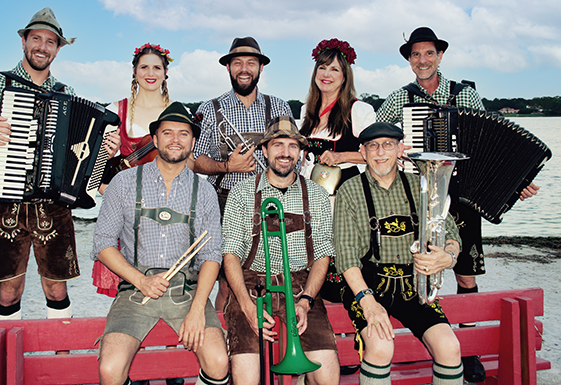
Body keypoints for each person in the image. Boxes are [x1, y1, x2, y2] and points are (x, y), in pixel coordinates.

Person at [0, 8, 119, 321]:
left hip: (55, 206)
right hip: (8, 202)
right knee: (9, 290)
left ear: (58, 49)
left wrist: (104, 150)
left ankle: (59, 359)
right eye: (36, 39)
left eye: (50, 42)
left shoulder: (66, 94)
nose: (42, 47)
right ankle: (7, 362)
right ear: (23, 41)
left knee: (57, 289)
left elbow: (83, 155)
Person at [375, 27, 539, 382]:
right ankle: (414, 341)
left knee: (465, 273)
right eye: (415, 54)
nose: (422, 60)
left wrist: (517, 184)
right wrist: (396, 146)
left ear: (440, 56)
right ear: (408, 59)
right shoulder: (397, 99)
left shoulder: (464, 95)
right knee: (410, 268)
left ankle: (471, 348)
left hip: (462, 196)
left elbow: (491, 145)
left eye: (429, 53)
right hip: (414, 195)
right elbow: (379, 136)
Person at [93, 102, 229, 385]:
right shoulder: (123, 182)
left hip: (188, 292)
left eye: (183, 133)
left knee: (219, 362)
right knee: (109, 369)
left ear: (193, 141)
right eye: (167, 133)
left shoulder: (204, 190)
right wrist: (141, 281)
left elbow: (212, 254)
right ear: (155, 139)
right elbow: (103, 243)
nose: (175, 140)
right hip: (134, 290)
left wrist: (197, 310)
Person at [334, 122, 464, 385]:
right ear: (363, 152)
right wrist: (367, 302)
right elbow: (345, 255)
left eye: (388, 145)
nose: (381, 152)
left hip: (413, 285)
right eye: (373, 146)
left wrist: (447, 257)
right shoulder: (349, 190)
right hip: (368, 283)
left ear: (400, 149)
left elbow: (452, 234)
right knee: (381, 347)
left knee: (449, 347)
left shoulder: (421, 186)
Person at [222, 116, 340, 385]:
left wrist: (306, 301)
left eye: (292, 146)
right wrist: (246, 305)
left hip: (300, 286)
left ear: (301, 153)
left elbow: (322, 254)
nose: (285, 153)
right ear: (265, 150)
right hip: (252, 286)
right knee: (246, 378)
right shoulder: (241, 193)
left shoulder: (317, 194)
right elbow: (230, 255)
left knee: (328, 377)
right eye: (277, 145)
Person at [193, 36, 293, 310]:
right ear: (228, 68)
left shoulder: (280, 107)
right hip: (224, 202)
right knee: (226, 281)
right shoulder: (210, 109)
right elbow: (194, 160)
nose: (244, 68)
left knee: (275, 274)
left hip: (273, 200)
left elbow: (293, 154)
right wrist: (228, 166)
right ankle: (223, 340)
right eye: (237, 63)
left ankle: (265, 336)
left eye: (251, 62)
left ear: (261, 67)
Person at [92, 42, 174, 298]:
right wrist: (110, 189)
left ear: (165, 73)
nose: (151, 73)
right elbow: (91, 168)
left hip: (167, 212)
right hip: (126, 215)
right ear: (135, 71)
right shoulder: (116, 110)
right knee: (127, 292)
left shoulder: (176, 112)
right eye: (144, 67)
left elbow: (187, 168)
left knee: (171, 289)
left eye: (157, 67)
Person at [300, 38, 375, 188]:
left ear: (344, 78)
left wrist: (340, 156)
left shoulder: (358, 110)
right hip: (309, 188)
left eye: (334, 69)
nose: (326, 74)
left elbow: (376, 153)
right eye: (322, 67)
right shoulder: (306, 109)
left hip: (344, 191)